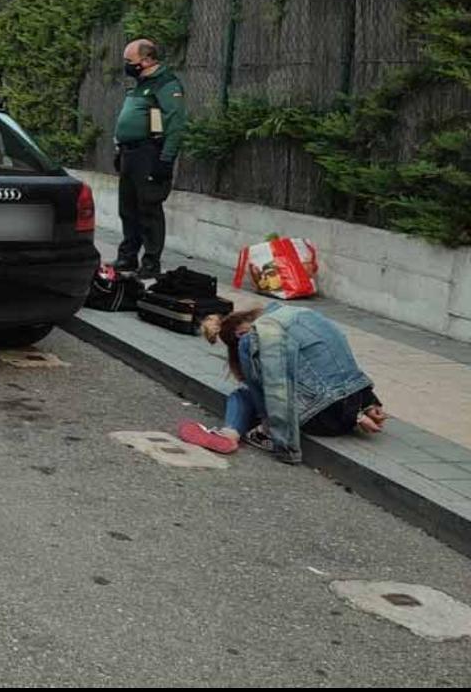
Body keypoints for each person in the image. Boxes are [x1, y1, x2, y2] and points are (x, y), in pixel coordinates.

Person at [178, 304, 387, 464]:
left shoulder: (255, 338)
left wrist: (280, 440)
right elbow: (339, 361)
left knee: (243, 394)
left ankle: (229, 434)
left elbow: (276, 389)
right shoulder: (303, 314)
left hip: (323, 420)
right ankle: (229, 433)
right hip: (355, 401)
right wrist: (367, 404)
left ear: (239, 335)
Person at [112, 39, 188, 280]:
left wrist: (165, 160)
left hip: (149, 153)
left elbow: (175, 124)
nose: (126, 66)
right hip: (129, 153)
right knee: (128, 208)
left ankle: (151, 262)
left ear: (146, 60)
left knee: (148, 209)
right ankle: (127, 257)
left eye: (129, 61)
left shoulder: (165, 84)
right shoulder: (139, 84)